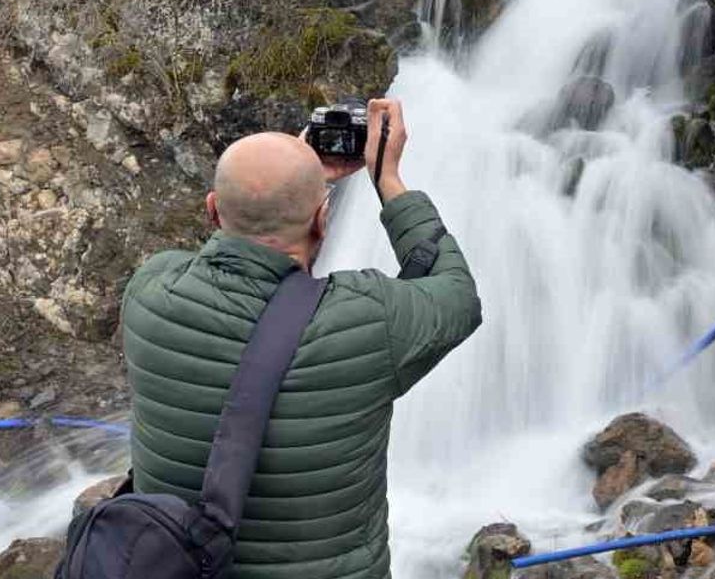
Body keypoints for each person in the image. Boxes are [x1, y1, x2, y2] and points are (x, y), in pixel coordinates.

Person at [120, 98, 482, 579]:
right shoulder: (368, 320)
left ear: (211, 210)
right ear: (322, 220)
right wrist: (386, 179)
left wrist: (291, 168)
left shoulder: (149, 292)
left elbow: (222, 253)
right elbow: (457, 293)